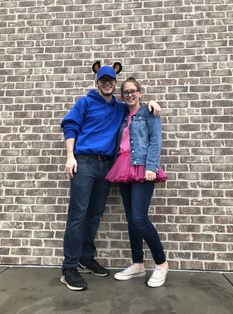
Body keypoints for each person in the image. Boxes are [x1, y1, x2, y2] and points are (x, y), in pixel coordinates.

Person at [60, 61, 161, 291]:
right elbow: (70, 126)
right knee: (78, 215)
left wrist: (152, 103)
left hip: (106, 167)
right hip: (84, 163)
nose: (107, 83)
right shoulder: (85, 102)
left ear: (114, 84)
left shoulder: (119, 107)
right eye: (103, 80)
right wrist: (70, 156)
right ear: (97, 82)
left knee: (94, 215)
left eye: (110, 80)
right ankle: (69, 267)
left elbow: (137, 108)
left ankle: (86, 257)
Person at [106, 77, 168, 288]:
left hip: (142, 166)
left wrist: (151, 167)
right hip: (123, 167)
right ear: (123, 96)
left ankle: (161, 263)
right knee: (132, 219)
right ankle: (137, 264)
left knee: (140, 217)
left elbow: (155, 140)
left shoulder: (149, 112)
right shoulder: (123, 115)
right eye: (126, 92)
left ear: (140, 93)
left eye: (133, 91)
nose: (130, 94)